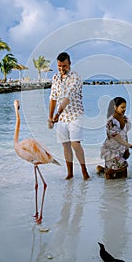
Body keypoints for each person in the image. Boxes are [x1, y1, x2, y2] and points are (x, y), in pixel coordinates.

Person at [48, 52, 90, 180]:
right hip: (62, 117)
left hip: (75, 115)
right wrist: (51, 117)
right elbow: (53, 98)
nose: (62, 69)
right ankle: (70, 173)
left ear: (70, 64)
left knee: (75, 144)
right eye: (59, 66)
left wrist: (56, 114)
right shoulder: (55, 77)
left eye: (64, 66)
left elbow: (67, 98)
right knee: (65, 145)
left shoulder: (75, 78)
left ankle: (84, 172)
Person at [97, 97, 132, 179]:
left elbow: (125, 135)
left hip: (121, 149)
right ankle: (107, 173)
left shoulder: (125, 119)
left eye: (125, 107)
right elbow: (118, 139)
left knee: (123, 177)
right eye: (122, 107)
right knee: (123, 166)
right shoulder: (111, 121)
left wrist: (127, 149)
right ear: (115, 107)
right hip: (111, 150)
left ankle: (120, 189)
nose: (124, 109)